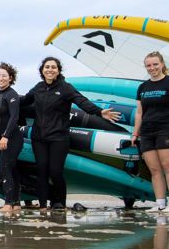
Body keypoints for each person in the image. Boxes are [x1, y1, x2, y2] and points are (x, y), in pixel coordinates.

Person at [22, 57, 123, 209]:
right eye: (47, 67)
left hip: (59, 137)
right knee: (42, 171)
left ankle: (59, 203)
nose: (50, 70)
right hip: (39, 138)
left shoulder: (65, 87)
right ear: (42, 70)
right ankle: (43, 205)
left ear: (58, 70)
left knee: (55, 172)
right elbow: (23, 101)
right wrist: (5, 99)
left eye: (53, 67)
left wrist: (100, 112)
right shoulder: (38, 87)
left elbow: (82, 101)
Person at [132, 51, 169, 213]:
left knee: (168, 166)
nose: (152, 68)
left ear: (162, 64)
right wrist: (135, 134)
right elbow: (139, 113)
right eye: (148, 65)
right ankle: (160, 203)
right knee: (155, 170)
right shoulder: (142, 87)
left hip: (167, 129)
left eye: (155, 64)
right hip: (147, 132)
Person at [0, 62, 23, 215]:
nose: (1, 78)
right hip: (1, 138)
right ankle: (16, 203)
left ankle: (8, 203)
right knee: (12, 170)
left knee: (5, 168)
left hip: (11, 139)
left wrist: (5, 136)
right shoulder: (0, 95)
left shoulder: (12, 95)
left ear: (10, 78)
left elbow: (14, 117)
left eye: (4, 75)